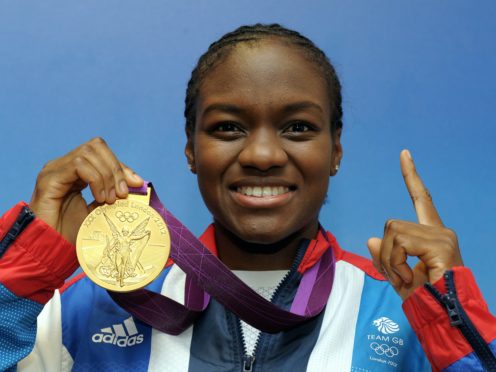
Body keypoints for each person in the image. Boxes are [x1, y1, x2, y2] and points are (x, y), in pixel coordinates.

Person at [0, 24, 495, 371]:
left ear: (336, 152)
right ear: (192, 151)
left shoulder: (406, 311)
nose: (261, 154)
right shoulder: (88, 306)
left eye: (298, 127)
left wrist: (455, 326)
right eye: (228, 127)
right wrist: (24, 274)